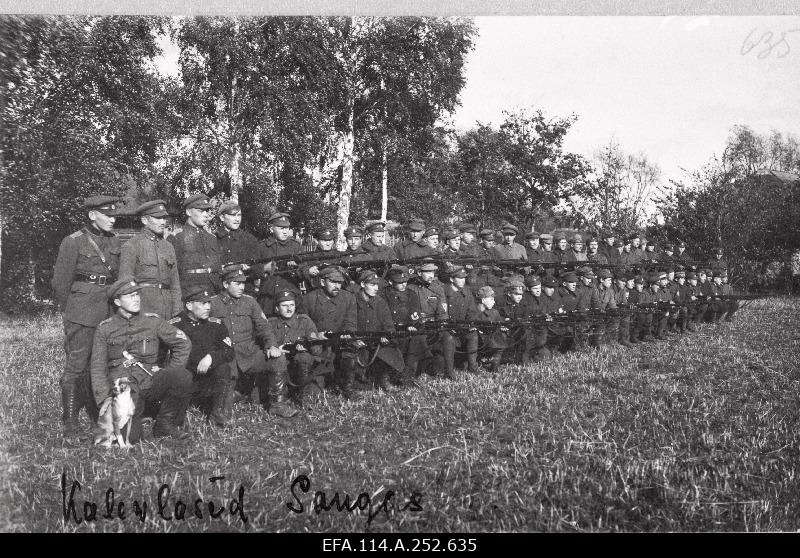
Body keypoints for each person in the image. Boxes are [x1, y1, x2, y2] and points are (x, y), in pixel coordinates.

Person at [90, 278, 193, 443]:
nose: (136, 298)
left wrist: (170, 370)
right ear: (117, 301)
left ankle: (165, 424)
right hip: (124, 387)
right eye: (130, 296)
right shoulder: (105, 329)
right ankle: (139, 415)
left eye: (137, 294)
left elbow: (183, 342)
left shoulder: (152, 321)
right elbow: (97, 367)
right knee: (130, 438)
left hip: (150, 380)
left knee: (181, 376)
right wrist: (104, 398)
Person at [52, 195, 122, 438]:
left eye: (114, 215)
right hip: (81, 312)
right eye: (107, 215)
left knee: (101, 363)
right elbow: (60, 283)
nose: (113, 219)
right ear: (92, 215)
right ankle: (70, 420)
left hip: (108, 311)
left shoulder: (115, 241)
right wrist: (70, 314)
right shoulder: (73, 242)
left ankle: (98, 415)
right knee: (77, 365)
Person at [210, 266, 297, 418]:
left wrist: (271, 345)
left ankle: (278, 405)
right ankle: (221, 413)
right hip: (225, 355)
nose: (242, 287)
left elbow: (264, 327)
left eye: (243, 283)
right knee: (225, 400)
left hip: (248, 353)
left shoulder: (250, 302)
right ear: (225, 284)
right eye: (237, 283)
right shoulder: (212, 303)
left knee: (278, 359)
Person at [169, 285, 233, 427]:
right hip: (186, 378)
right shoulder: (175, 325)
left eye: (209, 303)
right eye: (203, 303)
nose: (208, 307)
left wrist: (211, 357)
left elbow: (229, 351)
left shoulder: (216, 324)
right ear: (189, 305)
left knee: (224, 368)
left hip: (208, 379)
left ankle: (218, 415)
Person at [299, 266, 361, 400]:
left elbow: (351, 322)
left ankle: (347, 387)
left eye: (339, 283)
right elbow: (302, 326)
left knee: (350, 349)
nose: (337, 286)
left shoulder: (348, 298)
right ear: (322, 282)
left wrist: (347, 333)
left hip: (339, 343)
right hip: (318, 346)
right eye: (333, 282)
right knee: (314, 391)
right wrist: (315, 335)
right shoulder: (310, 299)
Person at [119, 200, 182, 319]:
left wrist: (177, 310)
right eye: (158, 218)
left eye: (164, 218)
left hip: (167, 309)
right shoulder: (132, 245)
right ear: (144, 220)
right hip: (144, 308)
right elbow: (125, 284)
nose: (163, 222)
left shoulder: (168, 247)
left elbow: (175, 283)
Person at [267, 290, 324, 407]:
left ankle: (302, 395)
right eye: (284, 306)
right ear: (277, 308)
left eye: (292, 305)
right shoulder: (270, 323)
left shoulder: (304, 321)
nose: (289, 309)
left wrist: (308, 347)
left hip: (301, 370)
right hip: (279, 370)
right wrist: (277, 349)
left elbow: (317, 350)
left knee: (304, 358)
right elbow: (264, 345)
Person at [354, 270, 405, 390]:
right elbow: (347, 325)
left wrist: (386, 336)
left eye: (377, 285)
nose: (376, 288)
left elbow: (388, 326)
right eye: (372, 285)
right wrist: (354, 340)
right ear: (362, 284)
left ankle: (383, 379)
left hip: (376, 342)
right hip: (358, 342)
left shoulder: (380, 302)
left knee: (390, 350)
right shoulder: (352, 301)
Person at [382, 266, 430, 386]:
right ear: (390, 282)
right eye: (399, 282)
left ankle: (407, 376)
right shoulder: (383, 295)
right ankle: (392, 377)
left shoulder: (411, 294)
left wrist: (411, 324)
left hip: (407, 328)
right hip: (389, 330)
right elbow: (382, 316)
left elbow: (415, 313)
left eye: (405, 282)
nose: (403, 285)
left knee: (417, 340)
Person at [408, 260, 456, 379]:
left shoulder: (438, 289)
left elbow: (442, 312)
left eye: (433, 272)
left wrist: (441, 326)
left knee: (448, 337)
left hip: (434, 325)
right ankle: (413, 374)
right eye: (428, 272)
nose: (431, 275)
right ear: (419, 272)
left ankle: (449, 373)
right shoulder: (411, 288)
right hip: (417, 325)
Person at [215, 200, 270, 296]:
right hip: (220, 292)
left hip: (244, 291)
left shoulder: (249, 239)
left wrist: (249, 269)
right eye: (233, 215)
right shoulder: (213, 239)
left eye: (239, 215)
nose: (237, 219)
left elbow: (258, 268)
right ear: (222, 217)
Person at [169, 193, 222, 293]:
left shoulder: (212, 238)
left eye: (207, 211)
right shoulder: (177, 237)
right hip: (190, 293)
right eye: (201, 211)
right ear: (188, 212)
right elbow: (172, 273)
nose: (206, 214)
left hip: (212, 290)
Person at [259, 212, 303, 316]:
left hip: (290, 297)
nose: (285, 232)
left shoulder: (295, 246)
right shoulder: (262, 247)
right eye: (281, 228)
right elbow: (252, 270)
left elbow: (304, 269)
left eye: (286, 228)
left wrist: (296, 268)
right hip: (268, 298)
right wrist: (264, 268)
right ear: (271, 229)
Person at [443, 266, 480, 373]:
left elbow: (472, 312)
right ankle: (449, 372)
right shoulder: (443, 292)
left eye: (464, 278)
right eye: (459, 278)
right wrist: (449, 327)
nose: (463, 280)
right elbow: (442, 313)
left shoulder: (467, 292)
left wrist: (470, 326)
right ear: (451, 279)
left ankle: (473, 367)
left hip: (463, 327)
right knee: (448, 338)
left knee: (473, 335)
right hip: (447, 328)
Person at [472, 286, 507, 372]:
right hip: (479, 340)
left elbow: (499, 324)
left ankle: (494, 365)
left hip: (490, 339)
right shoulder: (473, 312)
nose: (494, 302)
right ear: (483, 300)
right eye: (491, 299)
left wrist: (502, 328)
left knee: (501, 338)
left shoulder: (494, 312)